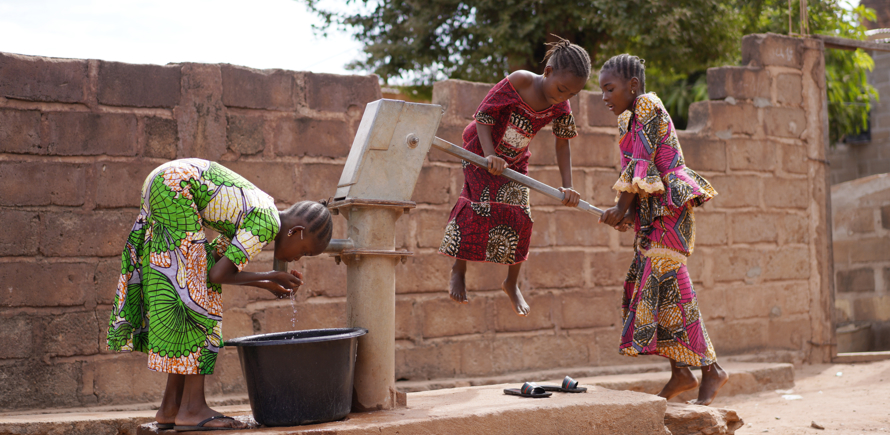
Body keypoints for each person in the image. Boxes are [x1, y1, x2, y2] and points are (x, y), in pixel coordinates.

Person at [106, 158, 333, 430]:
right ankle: (192, 409)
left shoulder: (259, 208)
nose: (299, 258)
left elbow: (213, 261)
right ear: (297, 232)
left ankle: (171, 406)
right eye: (305, 251)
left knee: (187, 290)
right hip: (176, 186)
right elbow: (218, 276)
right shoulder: (267, 222)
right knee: (201, 298)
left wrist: (269, 280)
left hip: (165, 181)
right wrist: (268, 279)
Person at [597, 54, 728, 406]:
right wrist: (627, 215)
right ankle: (681, 373)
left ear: (633, 86)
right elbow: (640, 178)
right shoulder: (628, 119)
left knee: (673, 289)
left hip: (670, 215)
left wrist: (620, 208)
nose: (604, 97)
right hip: (653, 216)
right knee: (660, 291)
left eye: (609, 88)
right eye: (601, 91)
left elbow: (641, 164)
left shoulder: (646, 107)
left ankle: (711, 369)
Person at [439, 37, 589, 316]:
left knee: (522, 216)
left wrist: (568, 186)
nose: (563, 97)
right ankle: (458, 270)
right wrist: (488, 156)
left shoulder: (560, 106)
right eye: (561, 89)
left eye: (571, 95)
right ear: (548, 72)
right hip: (479, 147)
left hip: (515, 160)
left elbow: (562, 142)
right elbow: (484, 115)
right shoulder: (520, 81)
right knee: (478, 204)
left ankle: (511, 282)